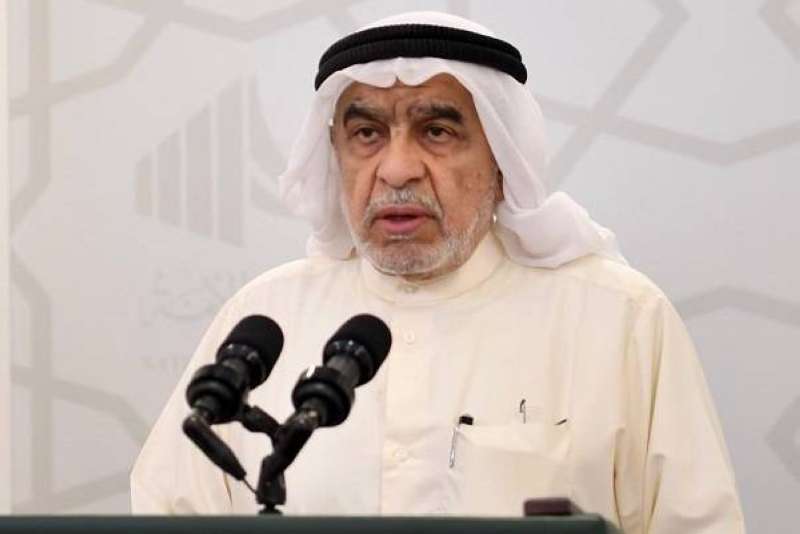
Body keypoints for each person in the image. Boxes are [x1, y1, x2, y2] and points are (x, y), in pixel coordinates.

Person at [131, 11, 746, 533]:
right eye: (367, 133)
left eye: (437, 131)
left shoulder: (619, 320)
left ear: (502, 159)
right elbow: (169, 508)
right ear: (336, 155)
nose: (397, 169)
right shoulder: (264, 319)